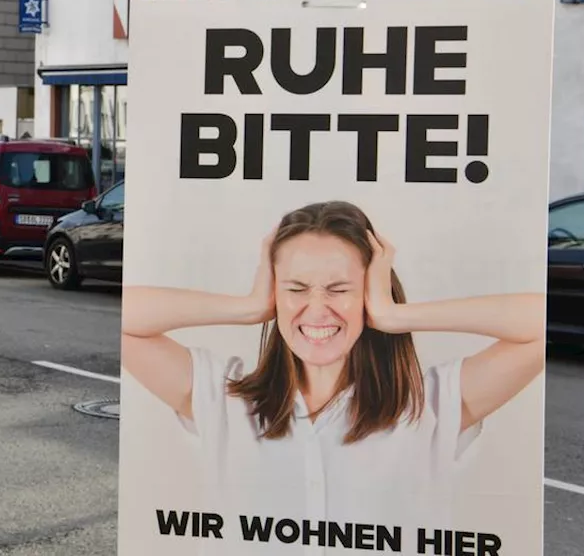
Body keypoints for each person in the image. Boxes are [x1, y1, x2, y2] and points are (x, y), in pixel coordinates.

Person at [121, 200, 545, 545]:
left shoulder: (430, 403)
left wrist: (395, 314)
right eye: (296, 288)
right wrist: (248, 307)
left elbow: (541, 328)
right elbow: (124, 322)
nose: (318, 308)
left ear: (370, 294)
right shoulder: (225, 398)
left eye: (340, 289)